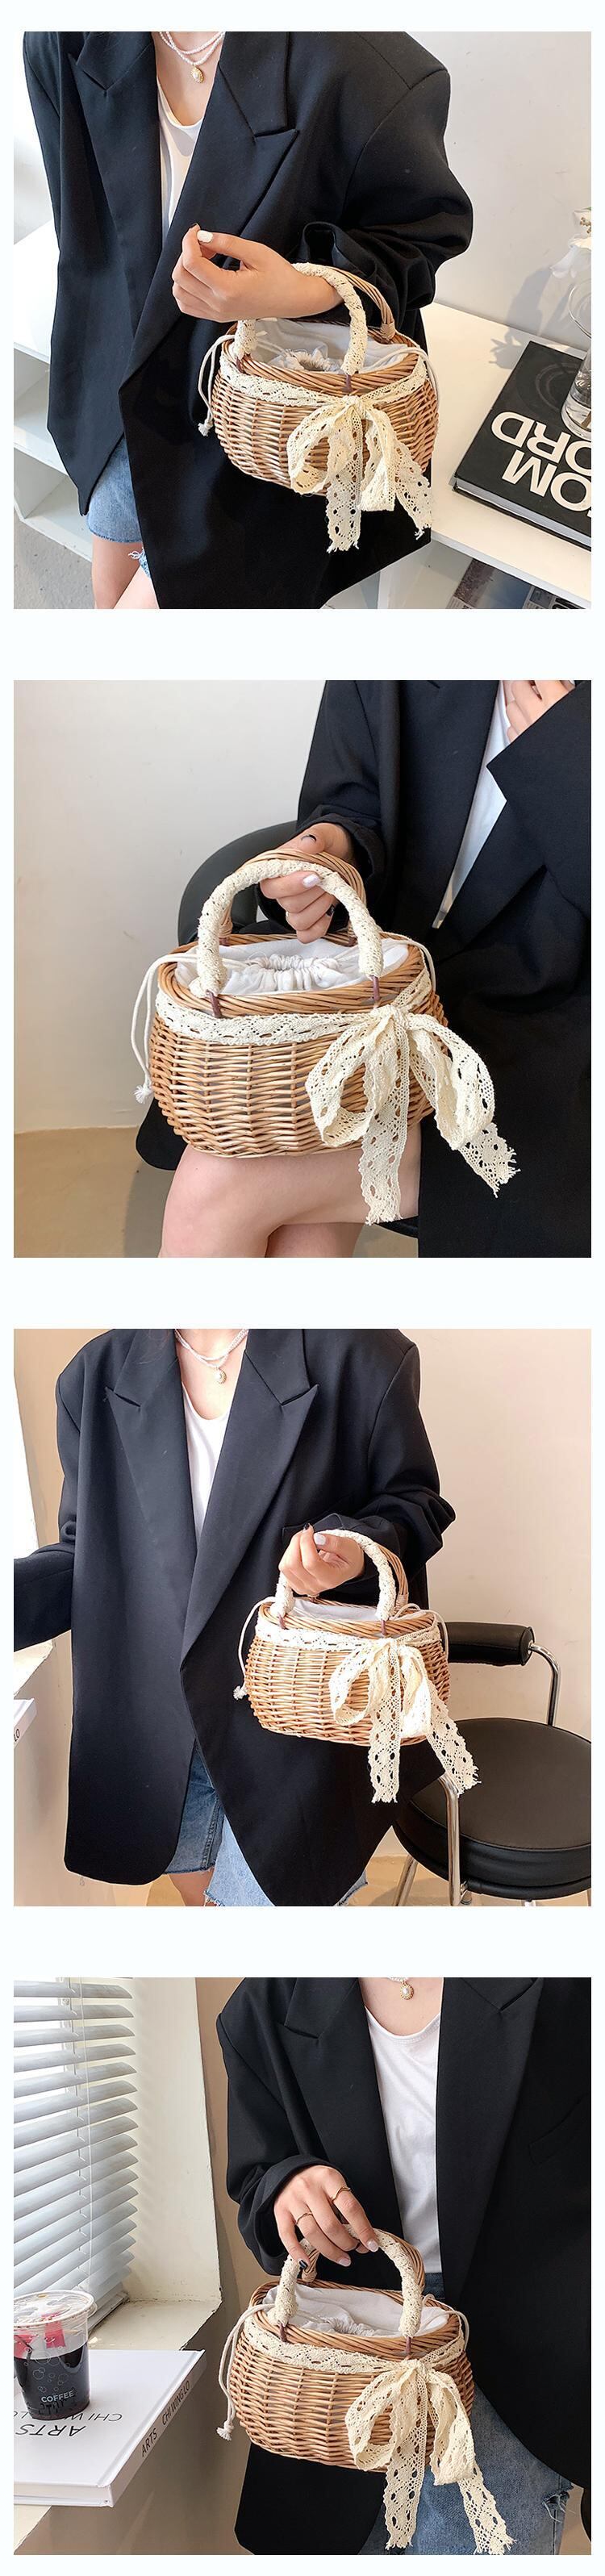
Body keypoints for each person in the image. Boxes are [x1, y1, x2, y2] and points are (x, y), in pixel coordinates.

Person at [23, 31, 472, 611]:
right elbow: (83, 232)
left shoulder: (369, 70)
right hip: (123, 383)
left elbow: (422, 237)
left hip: (268, 422)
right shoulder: (65, 36)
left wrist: (298, 291)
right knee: (108, 601)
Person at [154, 677, 590, 1259]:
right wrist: (333, 849)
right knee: (298, 1230)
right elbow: (352, 802)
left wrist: (571, 762)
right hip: (384, 982)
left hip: (556, 1026)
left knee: (216, 1186)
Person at [14, 1328, 453, 1905]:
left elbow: (416, 1503)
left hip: (300, 1719)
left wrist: (351, 1550)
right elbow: (86, 1553)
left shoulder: (361, 1355)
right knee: (205, 1903)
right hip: (164, 1730)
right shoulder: (96, 1374)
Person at [218, 1975, 590, 2555]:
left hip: (516, 2364)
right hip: (343, 2361)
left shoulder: (568, 1984)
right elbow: (256, 2181)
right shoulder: (267, 2002)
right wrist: (289, 2186)